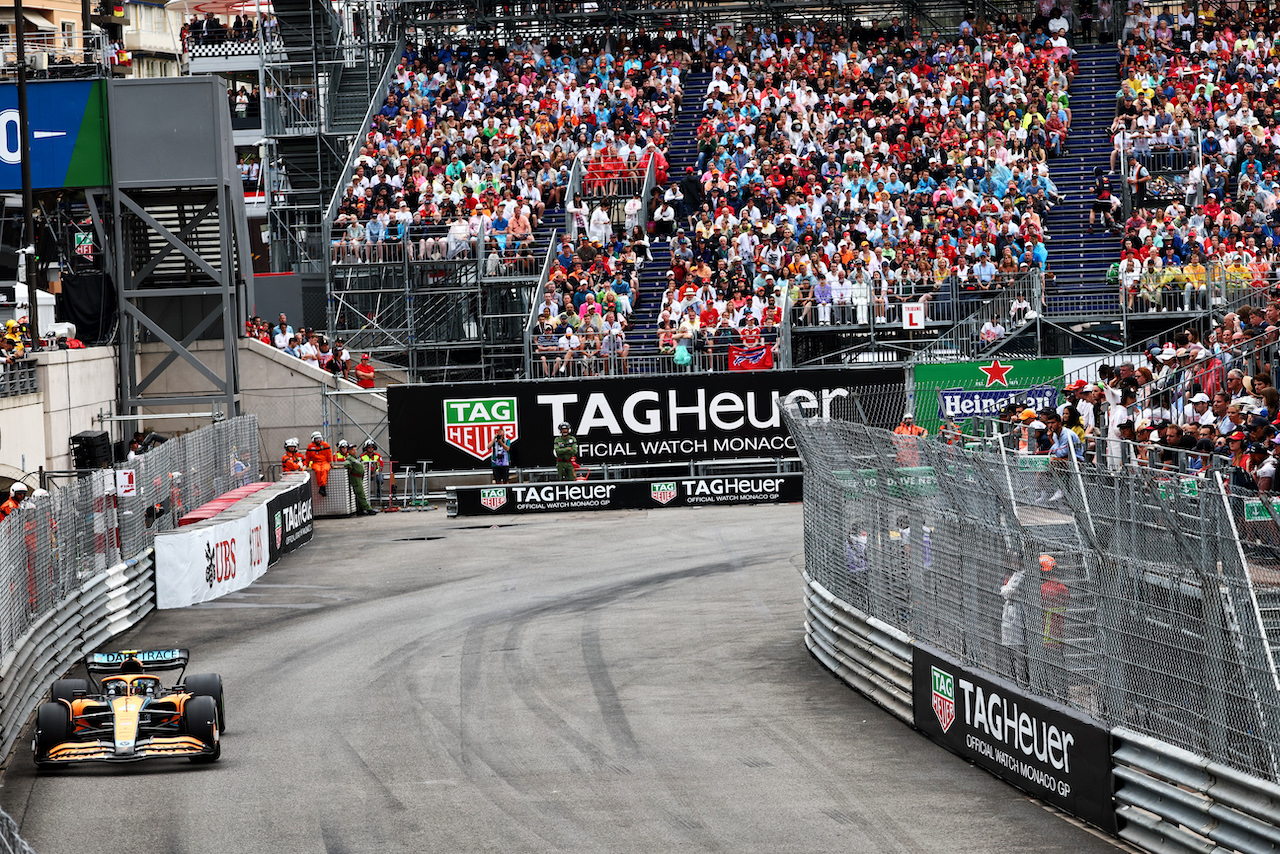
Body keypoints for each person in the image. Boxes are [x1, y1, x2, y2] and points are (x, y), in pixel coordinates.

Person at [1036, 554, 1070, 700]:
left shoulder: (1043, 589)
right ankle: (1063, 694)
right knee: (1059, 666)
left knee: (1047, 667)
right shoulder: (1063, 589)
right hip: (1059, 632)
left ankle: (1049, 692)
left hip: (1045, 632)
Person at [999, 553, 1030, 687]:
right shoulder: (1015, 574)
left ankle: (1023, 683)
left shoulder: (1022, 575)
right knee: (1011, 653)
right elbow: (1005, 590)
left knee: (1019, 654)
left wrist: (1004, 590)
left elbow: (1008, 592)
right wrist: (1004, 589)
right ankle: (1014, 682)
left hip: (1017, 618)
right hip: (1010, 617)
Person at [342, 450, 377, 515]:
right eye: (353, 450)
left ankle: (360, 510)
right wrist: (350, 467)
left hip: (359, 478)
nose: (355, 451)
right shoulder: (350, 458)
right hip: (355, 478)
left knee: (358, 494)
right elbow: (346, 464)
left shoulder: (355, 458)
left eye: (355, 449)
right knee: (360, 494)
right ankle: (368, 509)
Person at [305, 431, 333, 497]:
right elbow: (308, 456)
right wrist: (306, 464)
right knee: (318, 470)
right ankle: (321, 486)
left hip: (325, 462)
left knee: (324, 470)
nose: (318, 440)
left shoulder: (325, 445)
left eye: (319, 438)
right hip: (316, 463)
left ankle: (322, 486)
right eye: (316, 439)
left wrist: (330, 462)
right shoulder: (310, 446)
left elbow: (329, 454)